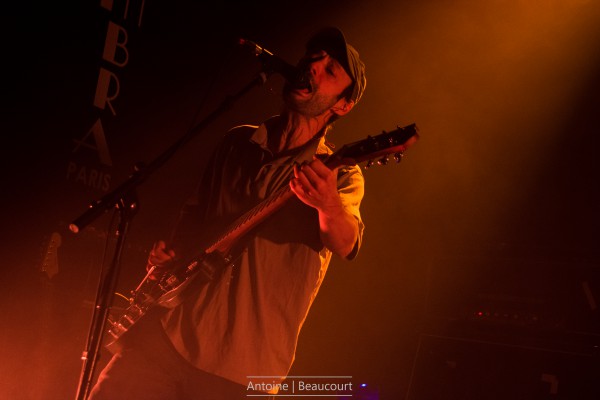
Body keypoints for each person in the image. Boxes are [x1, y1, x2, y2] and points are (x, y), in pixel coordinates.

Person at [89, 26, 367, 399]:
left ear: (343, 105)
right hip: (169, 330)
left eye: (330, 70)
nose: (314, 66)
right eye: (313, 57)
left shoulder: (340, 173)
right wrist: (170, 257)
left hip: (242, 366)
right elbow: (194, 215)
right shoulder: (239, 141)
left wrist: (328, 203)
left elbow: (346, 242)